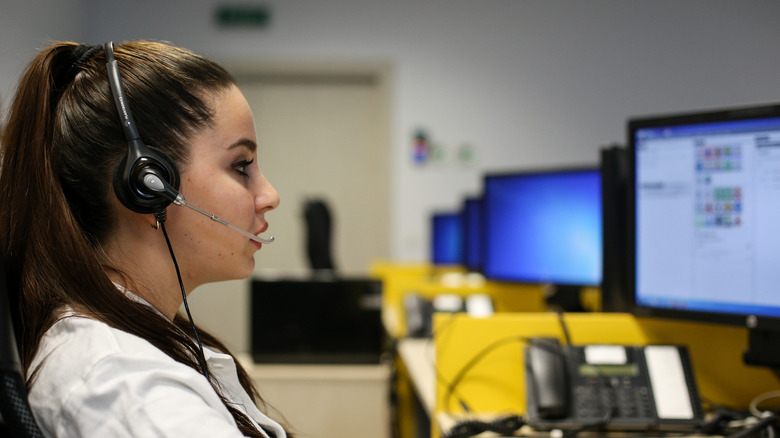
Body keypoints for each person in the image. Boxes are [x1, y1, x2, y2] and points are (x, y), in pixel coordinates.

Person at [0, 40, 284, 437]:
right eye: (241, 166)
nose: (269, 196)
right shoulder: (130, 392)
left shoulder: (142, 344)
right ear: (148, 184)